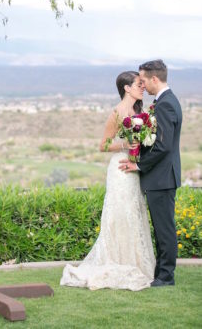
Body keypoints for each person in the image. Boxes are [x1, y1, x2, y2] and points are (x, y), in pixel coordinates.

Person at [60, 71, 155, 291]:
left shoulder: (142, 113)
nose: (143, 88)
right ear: (127, 88)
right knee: (120, 212)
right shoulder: (117, 113)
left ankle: (138, 263)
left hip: (135, 169)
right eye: (138, 85)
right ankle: (117, 260)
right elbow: (102, 145)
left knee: (134, 211)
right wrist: (126, 145)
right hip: (120, 169)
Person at [119, 60, 182, 287]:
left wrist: (139, 165)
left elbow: (163, 146)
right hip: (161, 177)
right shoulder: (164, 102)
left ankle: (166, 276)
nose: (143, 84)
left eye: (144, 80)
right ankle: (161, 272)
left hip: (162, 178)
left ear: (154, 79)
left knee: (165, 229)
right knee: (162, 227)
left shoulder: (165, 104)